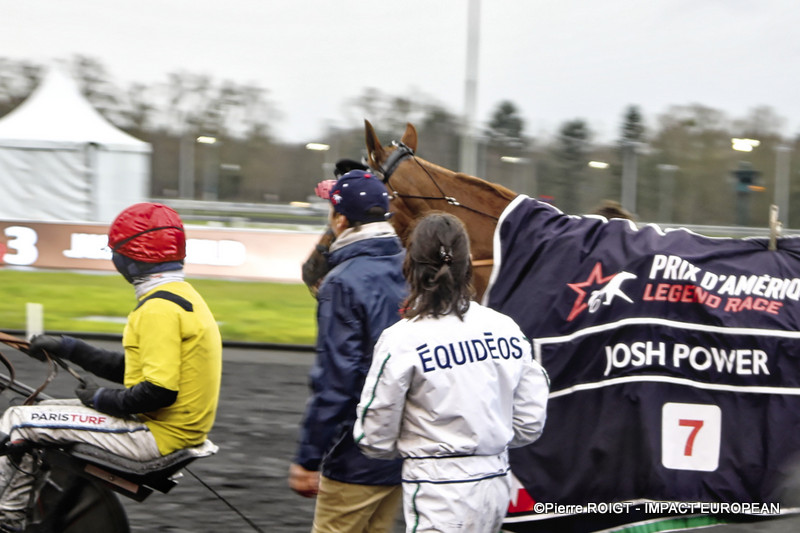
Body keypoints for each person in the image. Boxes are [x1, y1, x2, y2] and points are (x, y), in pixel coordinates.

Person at [0, 202, 222, 531]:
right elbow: (133, 370)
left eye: (115, 251)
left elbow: (159, 391)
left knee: (19, 421)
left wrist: (100, 399)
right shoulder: (183, 296)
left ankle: (6, 520)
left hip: (154, 436)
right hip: (174, 431)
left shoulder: (157, 310)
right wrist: (68, 347)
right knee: (36, 412)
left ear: (128, 257)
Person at [353, 212, 550, 533]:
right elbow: (530, 423)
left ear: (411, 264)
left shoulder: (402, 338)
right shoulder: (505, 327)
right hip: (496, 484)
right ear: (467, 262)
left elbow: (372, 436)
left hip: (437, 489)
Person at [289, 169, 406, 533]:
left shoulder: (341, 282)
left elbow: (337, 381)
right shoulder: (412, 268)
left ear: (340, 220)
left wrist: (309, 458)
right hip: (405, 451)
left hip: (358, 457)